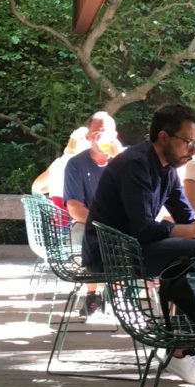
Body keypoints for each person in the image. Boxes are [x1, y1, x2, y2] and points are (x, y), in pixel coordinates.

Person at [82, 103, 195, 384]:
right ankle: (181, 349)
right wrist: (193, 232)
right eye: (187, 142)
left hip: (131, 247)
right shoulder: (137, 164)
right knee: (191, 252)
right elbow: (143, 229)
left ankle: (194, 341)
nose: (192, 150)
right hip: (108, 252)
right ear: (164, 137)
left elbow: (188, 217)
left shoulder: (168, 169)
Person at [63, 111, 121, 317]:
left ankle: (115, 295)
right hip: (88, 222)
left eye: (105, 133)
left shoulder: (125, 162)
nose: (100, 138)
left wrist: (120, 157)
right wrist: (102, 224)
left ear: (115, 135)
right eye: (96, 133)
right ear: (87, 136)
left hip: (122, 225)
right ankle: (92, 293)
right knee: (84, 239)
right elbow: (74, 207)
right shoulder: (76, 164)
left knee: (128, 240)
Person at [31, 127, 89, 211]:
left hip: (57, 218)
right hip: (75, 218)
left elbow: (36, 187)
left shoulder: (58, 162)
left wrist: (56, 185)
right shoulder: (85, 163)